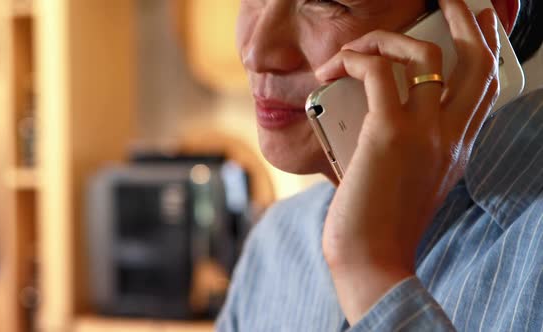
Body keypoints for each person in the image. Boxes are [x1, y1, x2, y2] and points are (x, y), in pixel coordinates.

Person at [216, 0, 543, 330]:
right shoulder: (275, 243)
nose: (256, 53)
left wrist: (369, 273)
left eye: (327, 3)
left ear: (479, 14)